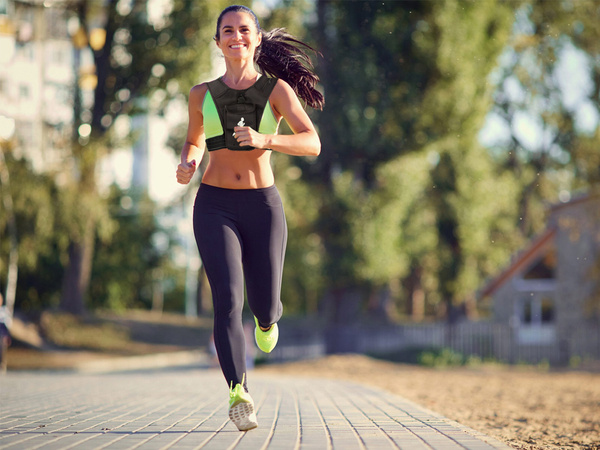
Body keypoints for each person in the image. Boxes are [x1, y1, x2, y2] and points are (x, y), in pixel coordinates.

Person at [176, 5, 323, 432]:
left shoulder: (276, 90)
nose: (236, 36)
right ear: (218, 41)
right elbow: (193, 139)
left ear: (257, 39)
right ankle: (238, 391)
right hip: (213, 205)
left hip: (263, 206)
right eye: (228, 31)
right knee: (227, 298)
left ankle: (267, 318)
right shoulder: (200, 94)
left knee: (262, 302)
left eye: (244, 30)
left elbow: (312, 142)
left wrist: (266, 139)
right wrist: (188, 162)